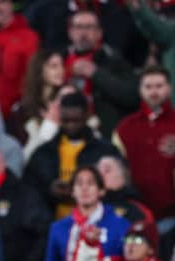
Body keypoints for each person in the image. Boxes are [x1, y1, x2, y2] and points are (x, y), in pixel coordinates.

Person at [24, 91, 121, 217]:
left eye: (76, 120)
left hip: (96, 221)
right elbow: (29, 190)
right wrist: (50, 190)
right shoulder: (44, 152)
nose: (71, 126)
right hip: (53, 222)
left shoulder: (105, 151)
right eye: (66, 120)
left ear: (86, 116)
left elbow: (119, 188)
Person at [63, 9, 140, 138]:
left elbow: (132, 96)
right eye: (78, 27)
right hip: (68, 131)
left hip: (104, 132)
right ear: (70, 32)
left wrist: (96, 74)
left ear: (99, 33)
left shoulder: (114, 59)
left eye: (89, 27)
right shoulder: (59, 59)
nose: (83, 33)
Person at [114, 66, 175, 227]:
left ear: (169, 88)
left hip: (171, 214)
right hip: (135, 216)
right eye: (148, 87)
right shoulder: (125, 128)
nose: (154, 92)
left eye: (159, 86)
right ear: (140, 90)